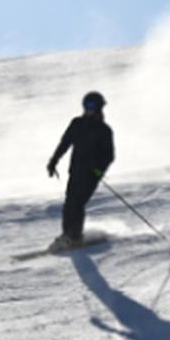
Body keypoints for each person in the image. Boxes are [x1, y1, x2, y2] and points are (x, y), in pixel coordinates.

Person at [45, 91, 115, 252]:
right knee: (69, 203)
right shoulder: (77, 123)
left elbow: (108, 155)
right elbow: (65, 143)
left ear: (98, 108)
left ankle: (74, 237)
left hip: (91, 174)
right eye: (85, 105)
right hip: (75, 171)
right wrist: (54, 160)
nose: (87, 109)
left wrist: (99, 169)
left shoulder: (104, 130)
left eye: (90, 106)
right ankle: (67, 234)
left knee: (76, 203)